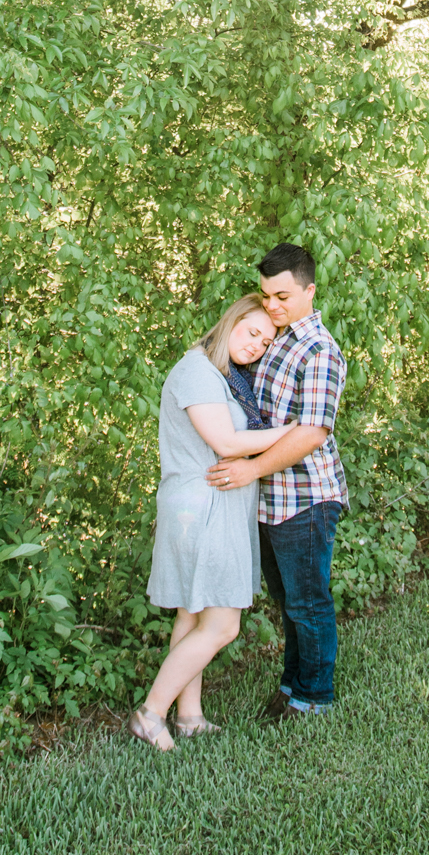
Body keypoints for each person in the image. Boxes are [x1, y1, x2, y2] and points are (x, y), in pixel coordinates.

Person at [129, 295, 296, 751]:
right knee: (223, 625)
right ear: (230, 322)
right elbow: (225, 441)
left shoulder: (223, 376)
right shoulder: (196, 370)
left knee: (193, 611)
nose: (256, 346)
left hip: (213, 504)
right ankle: (150, 713)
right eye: (251, 332)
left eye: (265, 342)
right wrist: (292, 432)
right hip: (202, 507)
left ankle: (189, 715)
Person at [205, 243, 348, 720]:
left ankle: (314, 697)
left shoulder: (320, 350)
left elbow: (311, 431)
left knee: (308, 602)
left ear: (309, 290)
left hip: (305, 496)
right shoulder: (276, 337)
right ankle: (292, 686)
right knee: (288, 602)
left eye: (283, 296)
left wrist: (249, 468)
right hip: (269, 498)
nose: (272, 306)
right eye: (266, 296)